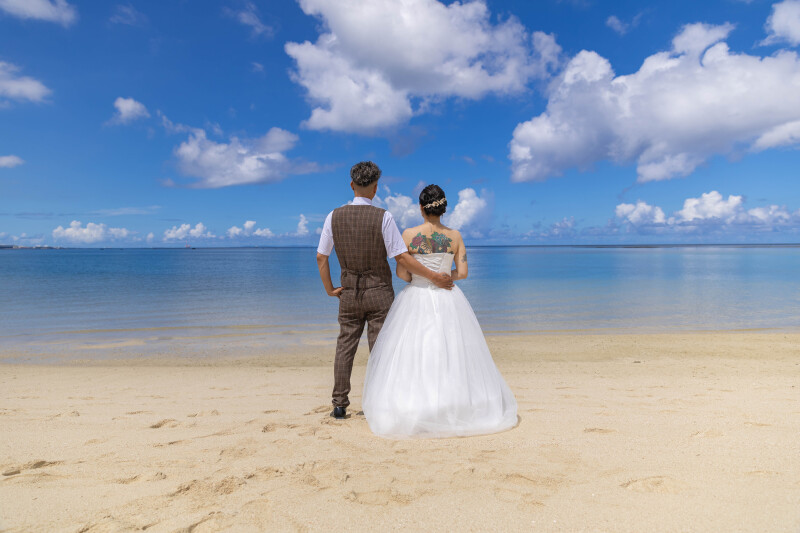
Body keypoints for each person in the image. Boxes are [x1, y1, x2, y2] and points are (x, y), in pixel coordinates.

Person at [361, 184, 518, 438]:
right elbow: (463, 273)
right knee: (451, 349)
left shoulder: (409, 234)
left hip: (417, 297)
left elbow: (402, 272)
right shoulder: (455, 236)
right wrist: (443, 278)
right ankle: (454, 403)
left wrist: (424, 280)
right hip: (448, 296)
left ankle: (417, 405)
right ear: (443, 209)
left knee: (416, 350)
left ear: (421, 208)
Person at [316, 162, 453, 420]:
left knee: (345, 345)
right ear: (376, 188)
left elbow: (321, 258)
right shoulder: (384, 217)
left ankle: (339, 404)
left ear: (351, 185)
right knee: (381, 348)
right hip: (379, 292)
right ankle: (377, 402)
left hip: (349, 290)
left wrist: (330, 289)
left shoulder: (333, 216)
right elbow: (401, 258)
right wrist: (434, 276)